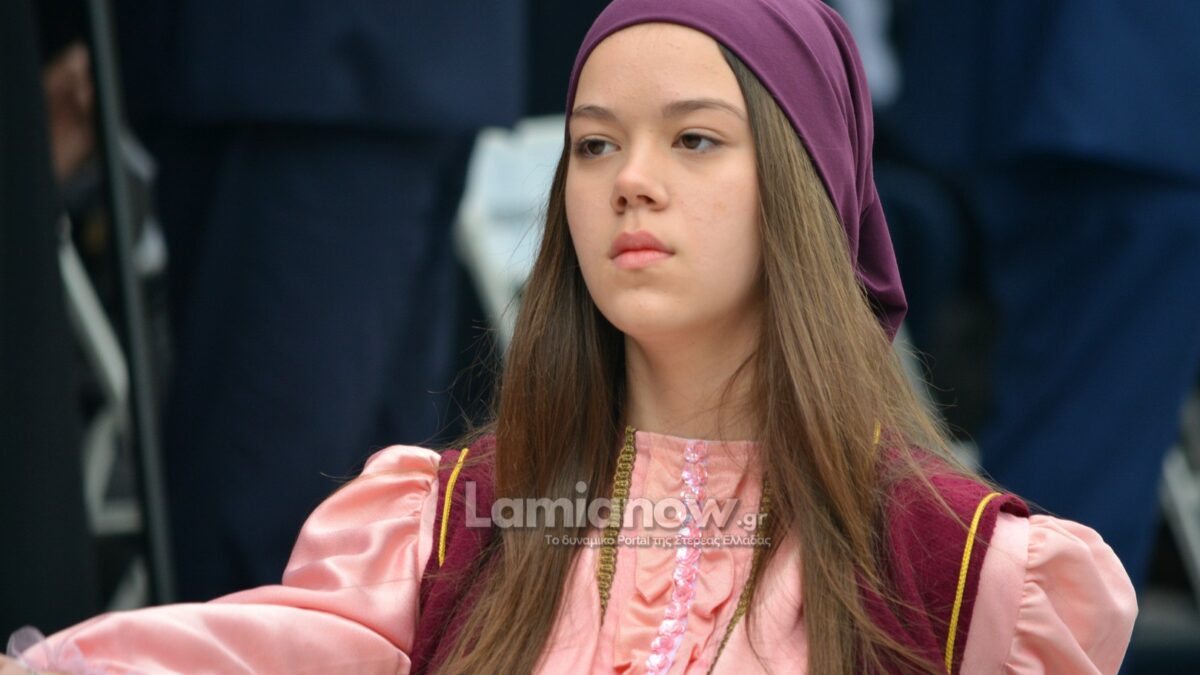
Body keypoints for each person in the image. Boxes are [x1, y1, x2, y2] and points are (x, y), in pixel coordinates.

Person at [3, 1, 1137, 673]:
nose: (630, 181)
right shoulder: (446, 526)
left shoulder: (968, 572)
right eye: (593, 145)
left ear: (802, 190)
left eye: (694, 140)